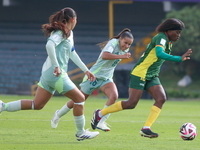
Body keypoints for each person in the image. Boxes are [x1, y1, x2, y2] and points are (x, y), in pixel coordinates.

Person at [0, 7, 99, 141]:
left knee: (37, 105)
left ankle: (3, 106)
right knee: (80, 99)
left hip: (48, 73)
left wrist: (85, 70)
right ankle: (80, 133)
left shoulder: (68, 33)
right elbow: (49, 45)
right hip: (55, 74)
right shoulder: (61, 32)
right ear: (73, 19)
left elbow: (72, 53)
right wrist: (57, 66)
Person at [91, 18, 192, 138]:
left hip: (152, 74)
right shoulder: (161, 38)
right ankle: (100, 113)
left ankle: (146, 128)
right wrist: (179, 58)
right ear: (169, 30)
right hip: (141, 72)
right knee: (131, 103)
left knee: (161, 98)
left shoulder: (168, 41)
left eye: (180, 33)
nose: (178, 35)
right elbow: (159, 53)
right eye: (177, 32)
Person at [51, 28, 134, 132]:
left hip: (106, 78)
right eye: (125, 43)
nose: (126, 46)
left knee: (114, 96)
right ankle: (58, 115)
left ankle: (101, 121)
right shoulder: (113, 43)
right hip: (94, 76)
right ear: (120, 39)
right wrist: (122, 56)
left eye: (129, 44)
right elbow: (104, 56)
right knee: (78, 100)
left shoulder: (125, 50)